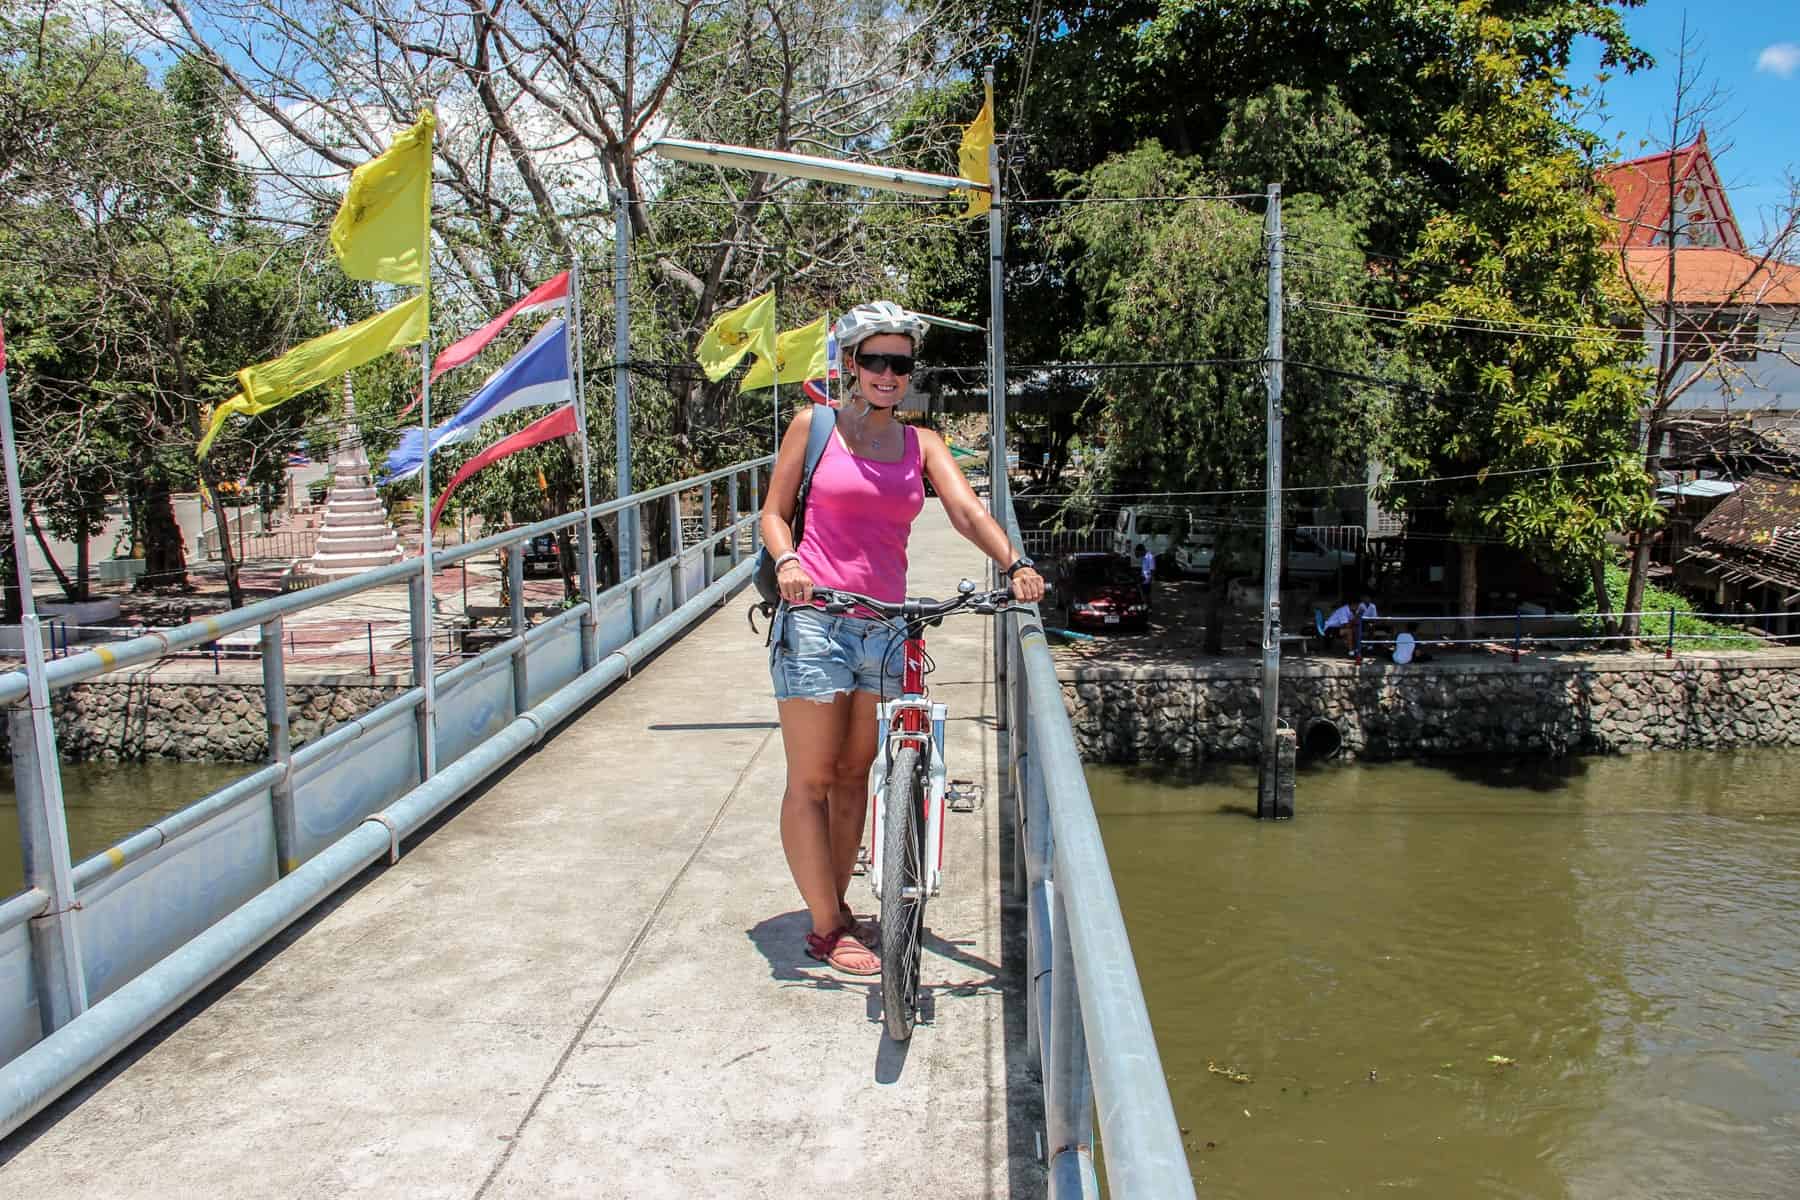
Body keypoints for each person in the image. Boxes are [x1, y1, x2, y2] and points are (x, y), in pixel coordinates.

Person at [760, 301, 1046, 977]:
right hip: (816, 619)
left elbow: (969, 511)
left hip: (887, 626)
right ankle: (827, 926)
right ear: (851, 366)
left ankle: (839, 904)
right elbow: (773, 515)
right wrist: (789, 563)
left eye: (900, 363)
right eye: (875, 361)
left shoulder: (924, 444)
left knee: (857, 774)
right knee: (811, 778)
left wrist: (1017, 563)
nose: (888, 374)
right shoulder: (815, 427)